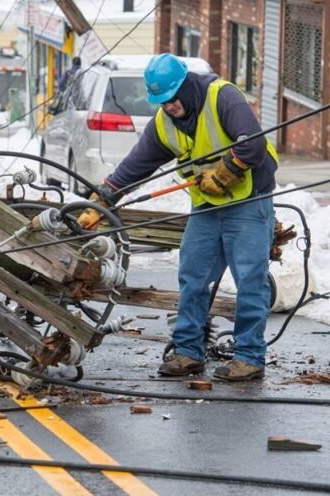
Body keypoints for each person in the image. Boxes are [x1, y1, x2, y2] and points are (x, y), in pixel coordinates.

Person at [78, 53, 278, 382]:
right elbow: (136, 164)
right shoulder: (164, 123)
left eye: (171, 99)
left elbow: (252, 146)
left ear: (185, 85)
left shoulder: (223, 97)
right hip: (207, 208)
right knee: (192, 277)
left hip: (249, 203)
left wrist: (227, 172)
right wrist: (105, 197)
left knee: (251, 282)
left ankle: (249, 357)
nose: (168, 107)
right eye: (162, 102)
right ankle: (187, 352)